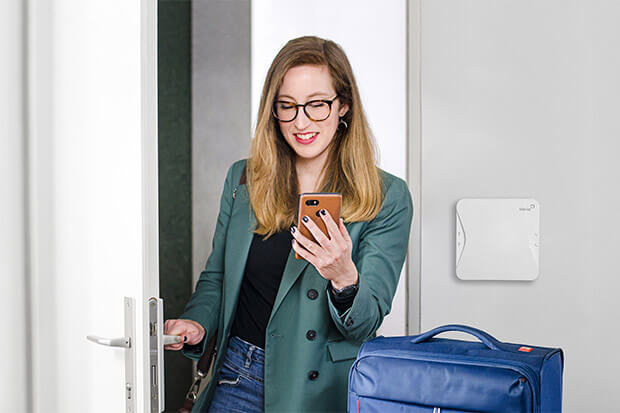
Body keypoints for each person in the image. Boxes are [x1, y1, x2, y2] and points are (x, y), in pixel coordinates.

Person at [164, 35, 414, 412]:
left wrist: (344, 277)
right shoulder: (245, 179)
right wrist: (197, 323)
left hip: (318, 390)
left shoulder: (386, 196)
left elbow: (363, 324)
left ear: (343, 105)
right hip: (236, 375)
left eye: (317, 105)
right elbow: (218, 277)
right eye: (287, 106)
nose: (301, 122)